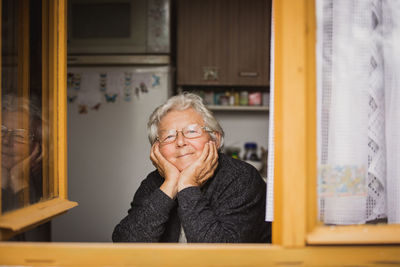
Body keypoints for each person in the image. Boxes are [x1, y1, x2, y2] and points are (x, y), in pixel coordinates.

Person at [112, 93, 271, 243]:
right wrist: (170, 185)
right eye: (169, 136)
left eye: (192, 131)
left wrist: (188, 185)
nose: (180, 142)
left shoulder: (242, 178)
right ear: (157, 148)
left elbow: (221, 256)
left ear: (215, 139)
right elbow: (125, 244)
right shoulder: (154, 183)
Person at [1, 93, 50, 241]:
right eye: (1, 130)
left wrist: (18, 180)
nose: (5, 141)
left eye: (19, 135)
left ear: (36, 146)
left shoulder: (45, 183)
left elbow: (36, 247)